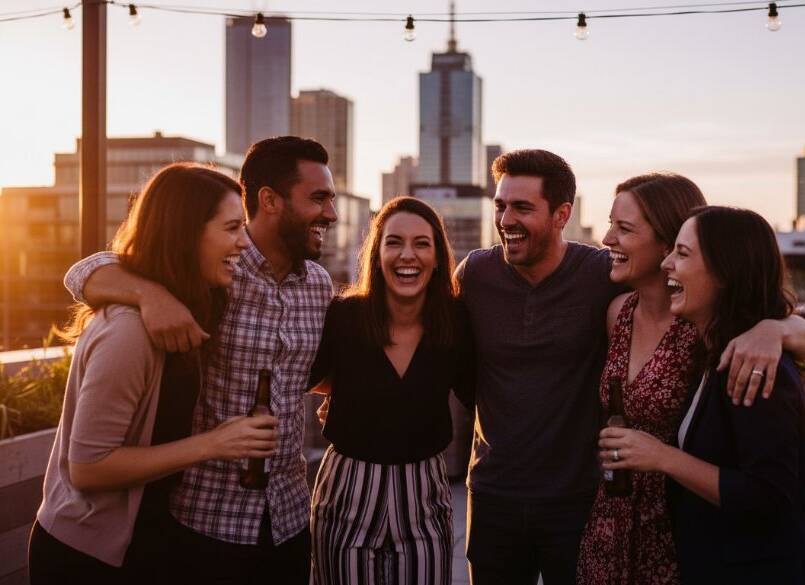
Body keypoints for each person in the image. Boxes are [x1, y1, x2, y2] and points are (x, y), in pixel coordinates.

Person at [455, 151, 805, 585]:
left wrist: (776, 330)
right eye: (500, 205)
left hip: (621, 512)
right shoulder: (485, 275)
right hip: (534, 503)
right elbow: (436, 338)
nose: (609, 238)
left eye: (522, 207)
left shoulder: (635, 293)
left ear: (561, 214)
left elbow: (751, 308)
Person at [61, 137, 338, 584]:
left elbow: (314, 369)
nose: (331, 213)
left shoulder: (319, 286)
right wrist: (148, 294)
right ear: (269, 200)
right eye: (319, 198)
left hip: (288, 521)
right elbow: (81, 273)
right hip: (204, 521)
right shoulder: (217, 266)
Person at [28, 164, 278, 585]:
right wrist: (214, 444)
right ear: (186, 233)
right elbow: (88, 468)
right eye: (232, 228)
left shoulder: (193, 303)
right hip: (88, 556)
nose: (243, 243)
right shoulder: (128, 331)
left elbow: (85, 271)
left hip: (148, 542)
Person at [576, 174, 805, 585]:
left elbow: (770, 491)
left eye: (625, 228)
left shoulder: (729, 343)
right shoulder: (620, 312)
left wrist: (775, 329)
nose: (607, 238)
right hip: (613, 524)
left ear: (667, 242)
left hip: (684, 535)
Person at [308, 196, 474, 584]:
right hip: (349, 488)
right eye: (394, 242)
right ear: (377, 253)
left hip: (422, 494)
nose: (407, 255)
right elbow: (307, 375)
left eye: (421, 243)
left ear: (437, 259)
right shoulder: (346, 315)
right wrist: (343, 394)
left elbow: (478, 392)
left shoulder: (456, 322)